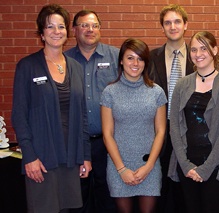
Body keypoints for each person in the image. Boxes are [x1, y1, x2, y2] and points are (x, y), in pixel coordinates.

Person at [11, 4, 91, 213]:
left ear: (67, 32)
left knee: (68, 209)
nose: (57, 32)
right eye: (50, 27)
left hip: (71, 157)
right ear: (42, 33)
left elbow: (82, 115)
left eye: (61, 27)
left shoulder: (75, 67)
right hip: (42, 159)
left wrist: (86, 155)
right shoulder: (27, 66)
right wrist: (29, 157)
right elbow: (19, 115)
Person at [168, 31, 219, 213]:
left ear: (214, 50)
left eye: (204, 48)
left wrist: (207, 168)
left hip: (217, 164)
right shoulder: (181, 85)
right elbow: (174, 126)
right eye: (194, 49)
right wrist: (185, 164)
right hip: (187, 163)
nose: (198, 54)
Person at [100, 38, 167, 213]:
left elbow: (160, 132)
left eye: (140, 58)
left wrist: (149, 166)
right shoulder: (110, 92)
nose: (135, 63)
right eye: (130, 58)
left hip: (149, 166)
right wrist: (122, 169)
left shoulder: (157, 92)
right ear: (121, 60)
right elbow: (107, 134)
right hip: (119, 165)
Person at [65, 9, 119, 213]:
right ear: (75, 29)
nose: (90, 30)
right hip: (75, 144)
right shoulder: (64, 61)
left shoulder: (116, 57)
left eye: (94, 25)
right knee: (79, 200)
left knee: (109, 198)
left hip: (109, 143)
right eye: (84, 25)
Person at [148, 4, 194, 213]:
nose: (172, 26)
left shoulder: (198, 56)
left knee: (186, 190)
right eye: (167, 22)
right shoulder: (150, 58)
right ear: (162, 27)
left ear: (186, 25)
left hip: (189, 131)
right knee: (161, 190)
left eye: (177, 21)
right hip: (160, 130)